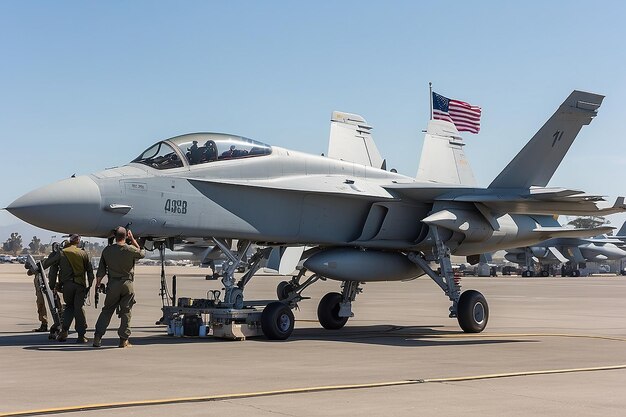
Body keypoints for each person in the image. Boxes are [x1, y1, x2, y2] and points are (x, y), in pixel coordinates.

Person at [93, 227, 145, 348]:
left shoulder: (107, 251)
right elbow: (141, 253)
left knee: (107, 311)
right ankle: (123, 340)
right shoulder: (130, 249)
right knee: (126, 311)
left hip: (113, 284)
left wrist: (97, 283)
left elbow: (101, 271)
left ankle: (97, 337)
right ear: (126, 236)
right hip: (127, 284)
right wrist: (132, 239)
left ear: (114, 236)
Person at [42, 234, 94, 343]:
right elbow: (90, 271)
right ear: (78, 242)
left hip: (67, 286)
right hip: (80, 285)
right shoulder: (83, 253)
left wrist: (52, 286)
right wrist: (89, 286)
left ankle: (64, 332)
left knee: (69, 307)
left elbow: (52, 270)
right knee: (78, 308)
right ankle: (81, 336)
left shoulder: (61, 253)